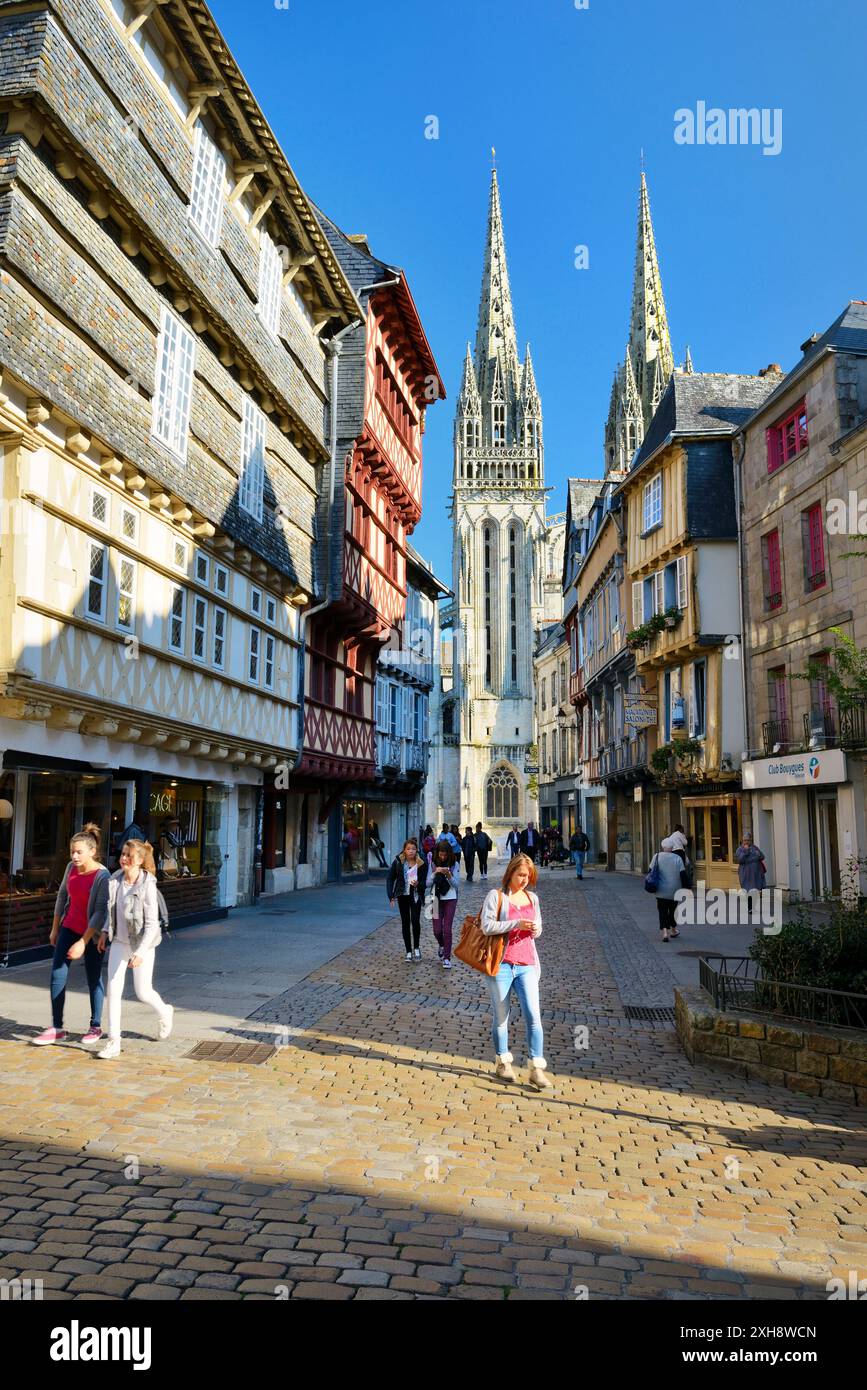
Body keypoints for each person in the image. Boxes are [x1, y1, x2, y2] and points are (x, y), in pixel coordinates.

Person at [33, 824, 110, 1046]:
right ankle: (57, 1027)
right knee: (57, 974)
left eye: (79, 852)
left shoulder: (102, 876)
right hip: (69, 926)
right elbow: (62, 896)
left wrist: (83, 943)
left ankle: (95, 1026)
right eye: (72, 852)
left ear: (92, 851)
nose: (74, 856)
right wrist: (55, 927)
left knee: (94, 977)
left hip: (93, 935)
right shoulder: (70, 868)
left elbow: (99, 912)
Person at [480, 854, 552, 1089]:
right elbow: (487, 926)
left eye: (528, 876)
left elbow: (538, 929)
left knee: (534, 1016)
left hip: (527, 965)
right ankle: (503, 1062)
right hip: (501, 965)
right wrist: (516, 924)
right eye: (521, 875)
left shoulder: (533, 898)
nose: (524, 880)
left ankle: (536, 1068)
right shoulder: (496, 896)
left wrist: (534, 928)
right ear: (510, 873)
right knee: (501, 1017)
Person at [96, 839, 173, 1059]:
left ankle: (165, 1012)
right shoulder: (114, 880)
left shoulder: (147, 884)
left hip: (143, 944)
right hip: (120, 942)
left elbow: (151, 924)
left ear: (139, 860)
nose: (124, 859)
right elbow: (109, 910)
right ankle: (113, 1041)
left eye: (129, 856)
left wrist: (140, 953)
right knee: (113, 990)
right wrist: (103, 932)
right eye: (122, 854)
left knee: (143, 992)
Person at [387, 839, 428, 962]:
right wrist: (391, 895)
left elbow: (425, 883)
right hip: (403, 895)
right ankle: (408, 951)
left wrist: (418, 884)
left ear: (417, 850)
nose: (411, 851)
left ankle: (416, 947)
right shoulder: (398, 862)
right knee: (405, 922)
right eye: (408, 849)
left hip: (415, 895)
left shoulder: (421, 863)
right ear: (404, 850)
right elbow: (390, 878)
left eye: (413, 849)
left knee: (415, 921)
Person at [649, 836, 688, 942]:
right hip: (674, 890)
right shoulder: (677, 858)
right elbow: (683, 875)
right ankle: (674, 930)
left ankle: (665, 932)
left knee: (662, 910)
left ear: (663, 846)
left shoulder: (656, 856)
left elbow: (650, 871)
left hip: (661, 889)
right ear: (672, 847)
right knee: (673, 910)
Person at [429, 841, 459, 969]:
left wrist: (448, 874)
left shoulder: (454, 864)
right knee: (437, 930)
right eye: (440, 855)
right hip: (435, 898)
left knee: (447, 929)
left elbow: (457, 884)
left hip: (450, 898)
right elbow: (427, 883)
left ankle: (447, 958)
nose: (442, 857)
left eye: (444, 855)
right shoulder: (433, 863)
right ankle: (441, 945)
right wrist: (435, 872)